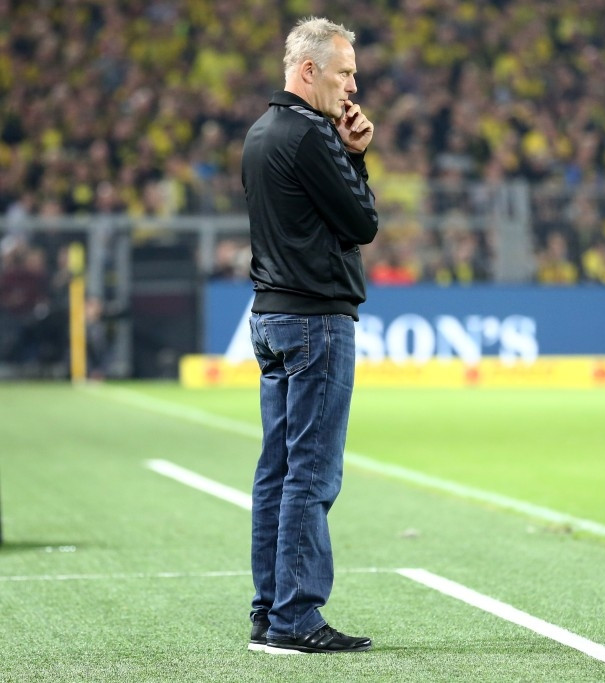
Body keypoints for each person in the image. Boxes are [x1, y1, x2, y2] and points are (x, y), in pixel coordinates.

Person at [241, 16, 378, 655]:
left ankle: (268, 611)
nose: (353, 84)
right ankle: (297, 619)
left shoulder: (260, 134)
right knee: (311, 475)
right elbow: (361, 222)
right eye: (345, 71)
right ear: (308, 71)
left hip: (269, 316)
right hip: (316, 319)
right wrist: (356, 156)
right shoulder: (310, 135)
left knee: (276, 469)